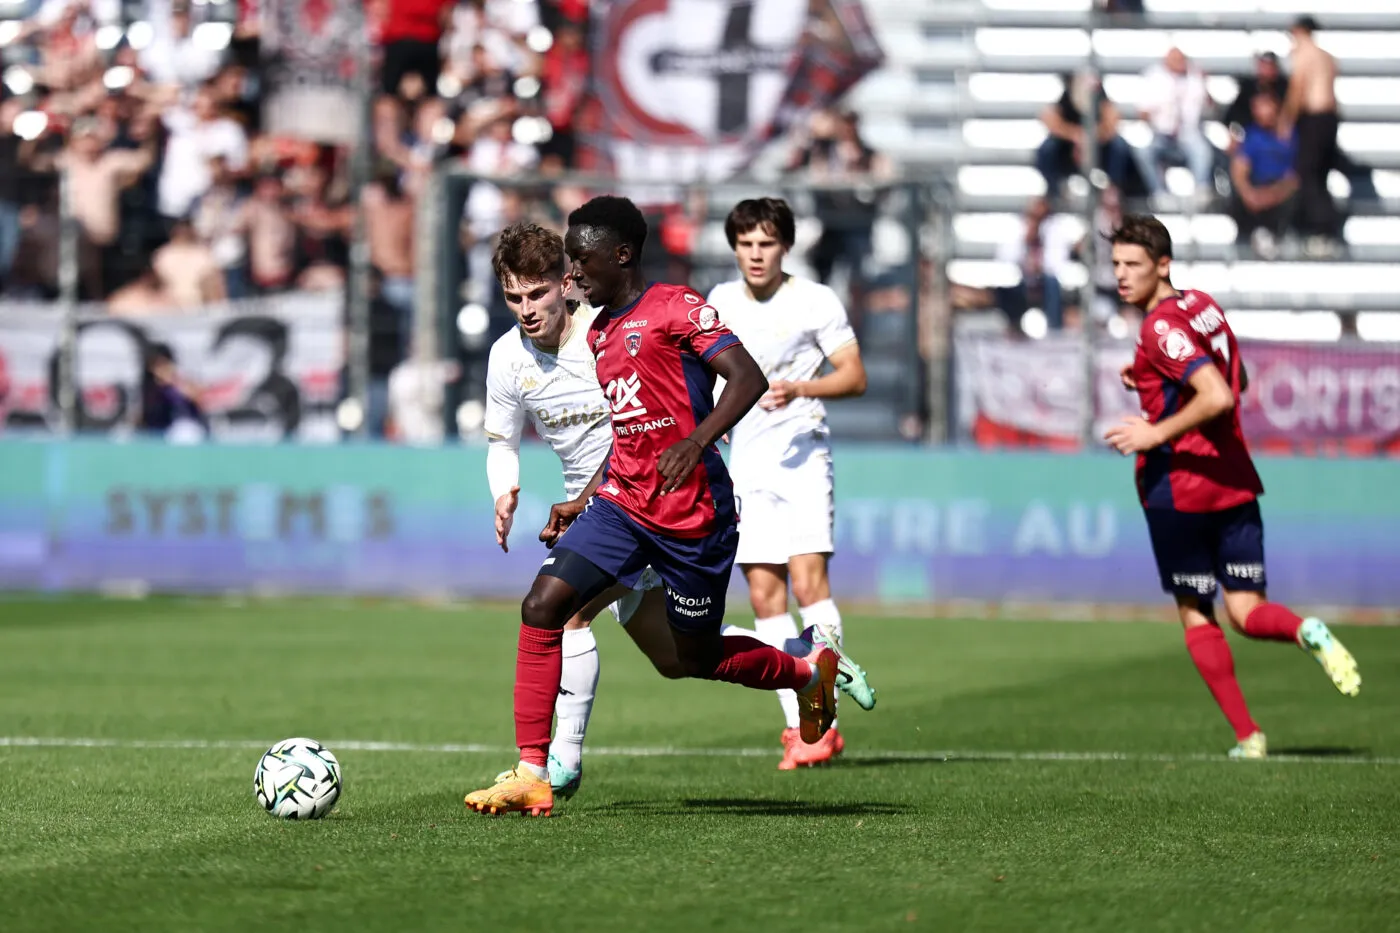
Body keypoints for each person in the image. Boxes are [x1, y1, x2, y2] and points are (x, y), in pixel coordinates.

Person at [465, 197, 876, 816]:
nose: (572, 277)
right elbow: (627, 437)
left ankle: (807, 670)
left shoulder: (678, 308)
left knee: (688, 657)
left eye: (579, 262)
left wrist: (697, 440)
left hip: (694, 518)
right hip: (624, 505)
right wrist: (582, 501)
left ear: (621, 256)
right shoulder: (599, 332)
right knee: (544, 604)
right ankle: (535, 770)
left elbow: (749, 379)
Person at [1102, 214, 1360, 759]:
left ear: (1163, 265)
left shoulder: (1159, 327)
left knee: (1197, 610)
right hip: (1234, 477)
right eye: (1116, 264)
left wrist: (1155, 431)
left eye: (1133, 265)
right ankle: (1304, 628)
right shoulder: (1202, 305)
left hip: (1180, 486)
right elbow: (1235, 379)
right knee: (1248, 610)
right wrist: (1148, 374)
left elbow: (1216, 393)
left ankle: (1249, 735)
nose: (1121, 276)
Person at [481, 220, 667, 798]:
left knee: (564, 612)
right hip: (598, 511)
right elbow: (501, 440)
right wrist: (504, 490)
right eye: (514, 297)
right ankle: (806, 664)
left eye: (537, 293)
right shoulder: (507, 358)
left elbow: (651, 423)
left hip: (647, 497)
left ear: (566, 283)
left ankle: (556, 761)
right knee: (679, 654)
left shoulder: (607, 336)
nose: (526, 308)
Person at [706, 198, 869, 770]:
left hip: (801, 454)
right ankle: (801, 726)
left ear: (785, 246)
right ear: (734, 248)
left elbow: (854, 375)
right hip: (745, 462)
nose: (756, 253)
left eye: (767, 243)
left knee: (808, 582)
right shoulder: (719, 301)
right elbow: (703, 371)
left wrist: (800, 389)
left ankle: (822, 720)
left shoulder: (815, 300)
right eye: (746, 243)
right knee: (762, 595)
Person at [1280, 16, 1343, 256]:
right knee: (1320, 172)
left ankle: (1321, 229)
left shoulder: (1304, 53)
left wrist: (1287, 119)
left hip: (1314, 117)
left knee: (1308, 173)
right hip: (1330, 118)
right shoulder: (1326, 56)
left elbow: (1298, 87)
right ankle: (1324, 228)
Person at [1229, 93, 1298, 258]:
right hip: (1257, 188)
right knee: (1236, 199)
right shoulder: (1252, 136)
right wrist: (1248, 193)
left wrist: (1272, 195)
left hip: (1280, 191)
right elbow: (1239, 168)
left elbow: (1294, 177)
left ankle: (1282, 235)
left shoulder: (1289, 137)